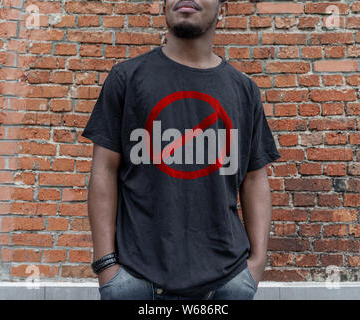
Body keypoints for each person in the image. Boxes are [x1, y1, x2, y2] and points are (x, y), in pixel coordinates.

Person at [81, 0, 281, 300]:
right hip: (136, 281)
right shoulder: (126, 79)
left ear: (222, 10)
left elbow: (255, 179)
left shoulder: (243, 90)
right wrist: (106, 266)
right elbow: (104, 169)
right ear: (162, 7)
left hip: (227, 283)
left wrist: (256, 264)